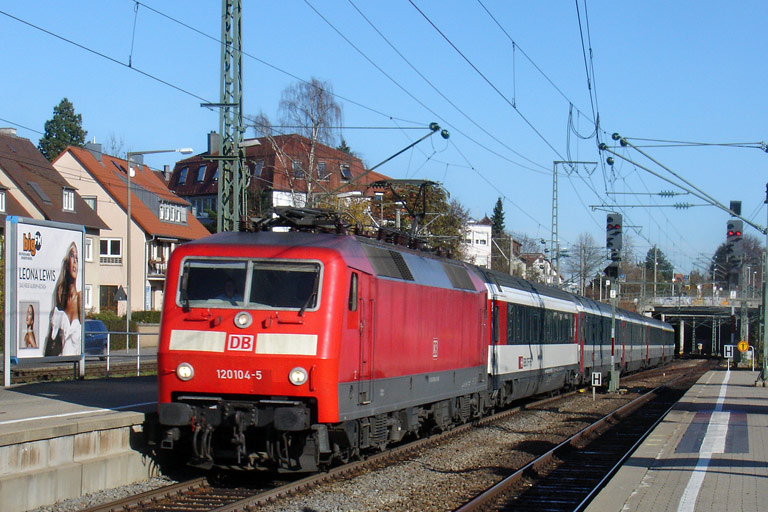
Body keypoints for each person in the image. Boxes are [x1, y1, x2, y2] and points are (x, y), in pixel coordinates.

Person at [44, 242, 82, 356]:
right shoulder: (60, 295)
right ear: (66, 263)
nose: (75, 261)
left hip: (74, 358)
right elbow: (52, 335)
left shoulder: (79, 298)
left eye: (77, 258)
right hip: (59, 360)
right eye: (72, 256)